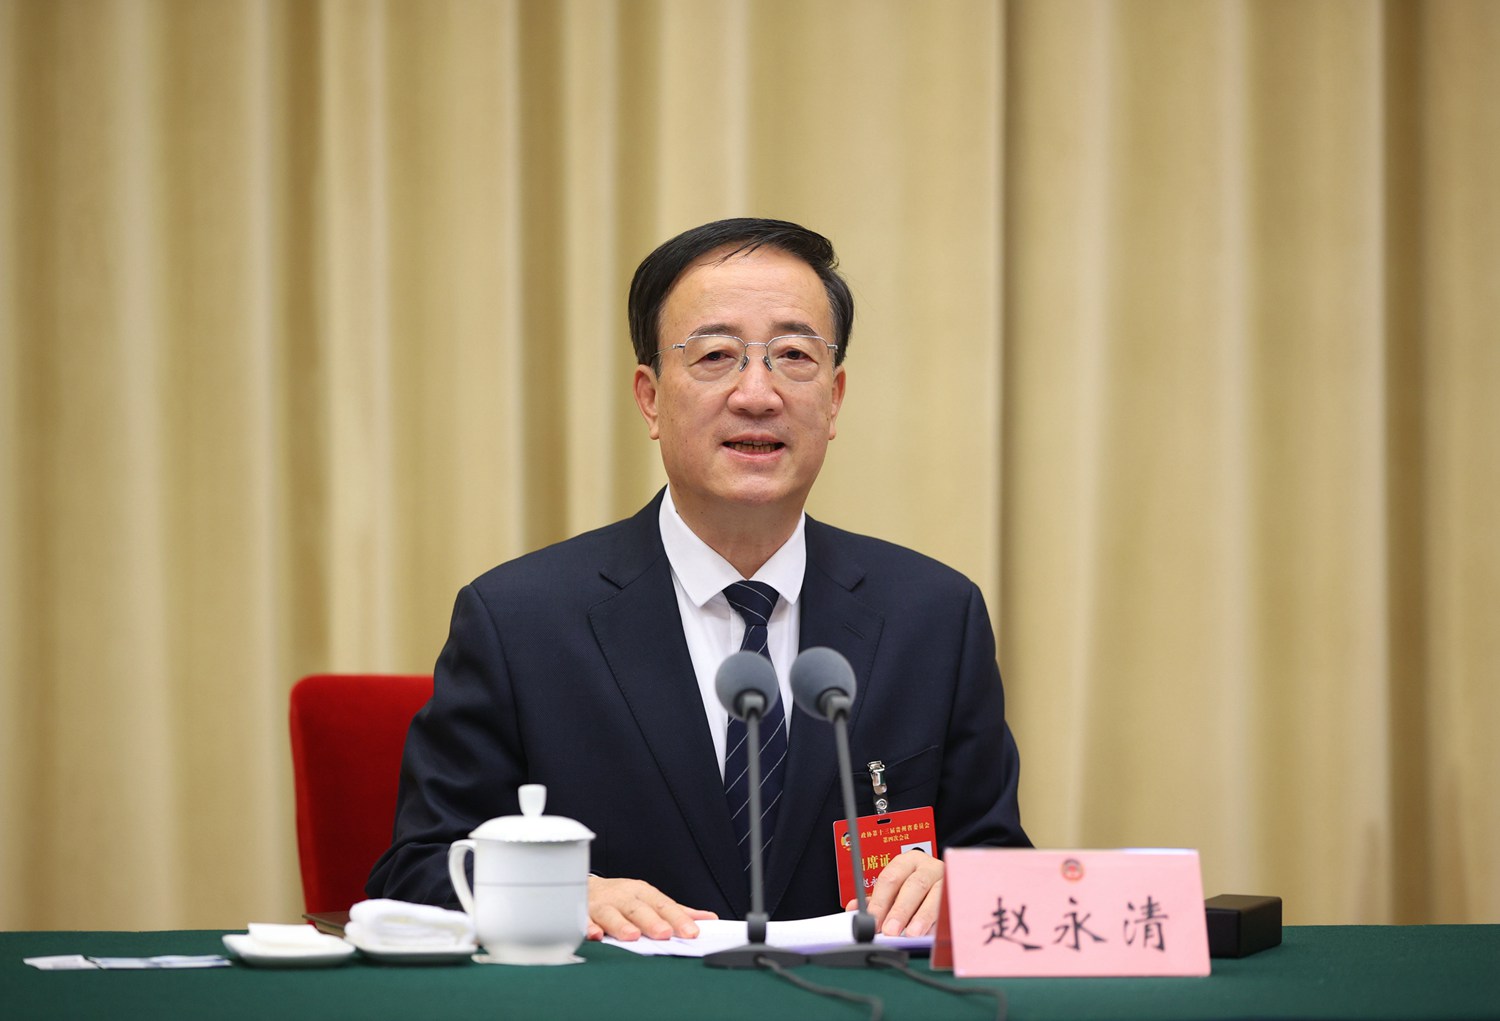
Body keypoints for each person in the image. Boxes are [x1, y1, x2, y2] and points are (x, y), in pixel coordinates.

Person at [367, 217, 1028, 941]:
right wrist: (555, 893)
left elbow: (1001, 863)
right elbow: (416, 869)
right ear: (650, 397)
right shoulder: (519, 620)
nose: (758, 393)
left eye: (794, 356)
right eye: (715, 355)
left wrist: (962, 885)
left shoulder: (935, 616)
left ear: (834, 398)